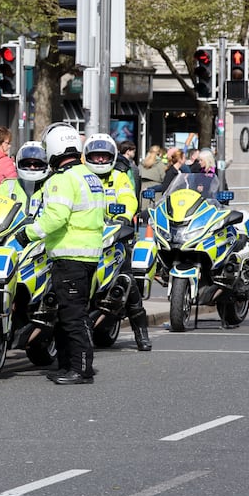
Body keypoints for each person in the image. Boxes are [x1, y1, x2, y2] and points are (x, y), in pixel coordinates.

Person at [16, 123, 105, 383]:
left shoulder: (61, 179)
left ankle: (81, 369)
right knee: (69, 314)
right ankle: (67, 365)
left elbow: (55, 218)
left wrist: (27, 234)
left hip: (69, 256)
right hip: (87, 255)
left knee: (73, 317)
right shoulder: (89, 176)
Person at [83, 134, 151, 350]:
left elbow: (128, 198)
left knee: (127, 278)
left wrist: (123, 216)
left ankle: (141, 333)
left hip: (115, 236)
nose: (100, 160)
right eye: (96, 156)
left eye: (104, 156)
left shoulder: (118, 176)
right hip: (86, 238)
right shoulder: (82, 176)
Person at [0, 141, 48, 217]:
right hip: (11, 225)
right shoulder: (8, 186)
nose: (32, 167)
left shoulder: (49, 187)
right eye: (27, 164)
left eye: (37, 164)